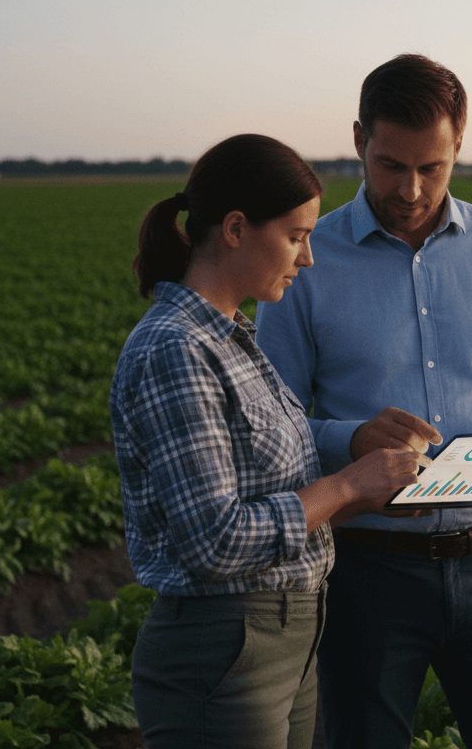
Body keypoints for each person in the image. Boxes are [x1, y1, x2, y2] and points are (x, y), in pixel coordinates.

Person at [255, 54, 472, 748]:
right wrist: (351, 438)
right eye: (390, 164)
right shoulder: (307, 258)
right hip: (367, 571)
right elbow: (268, 426)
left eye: (432, 167)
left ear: (459, 144)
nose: (409, 188)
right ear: (358, 140)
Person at [109, 133, 427, 749]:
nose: (306, 259)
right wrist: (345, 488)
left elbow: (262, 445)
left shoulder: (230, 335)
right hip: (223, 647)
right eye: (296, 236)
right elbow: (214, 541)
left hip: (284, 637)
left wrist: (359, 449)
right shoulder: (175, 349)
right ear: (234, 229)